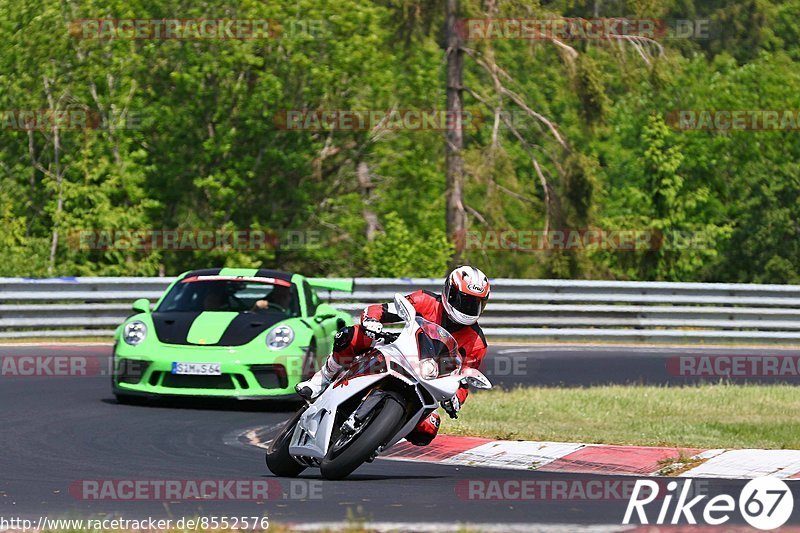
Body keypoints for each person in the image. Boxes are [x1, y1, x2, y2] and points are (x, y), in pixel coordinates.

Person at [296, 266, 490, 446]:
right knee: (350, 336)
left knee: (427, 431)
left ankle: (375, 440)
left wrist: (456, 399)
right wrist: (372, 321)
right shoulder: (425, 300)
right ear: (449, 292)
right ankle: (321, 380)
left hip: (428, 379)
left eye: (475, 304)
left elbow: (464, 379)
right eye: (464, 300)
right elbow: (384, 310)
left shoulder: (477, 343)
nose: (468, 308)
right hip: (401, 351)